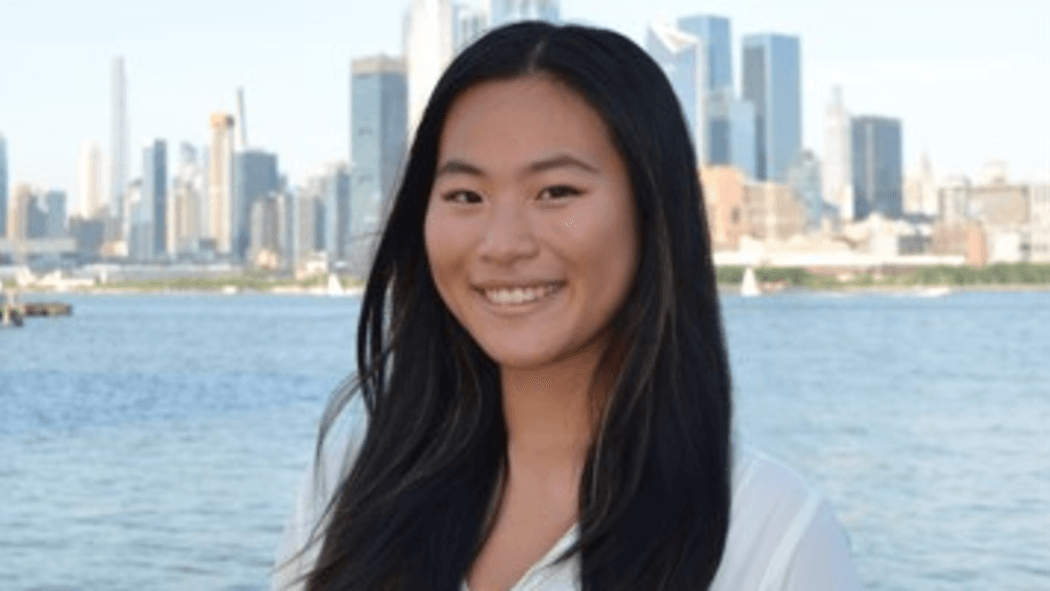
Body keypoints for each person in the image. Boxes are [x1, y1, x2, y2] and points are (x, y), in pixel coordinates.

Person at [272, 22, 862, 591]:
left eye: (556, 192)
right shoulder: (351, 482)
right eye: (465, 196)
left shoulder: (775, 532)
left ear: (652, 210)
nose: (502, 244)